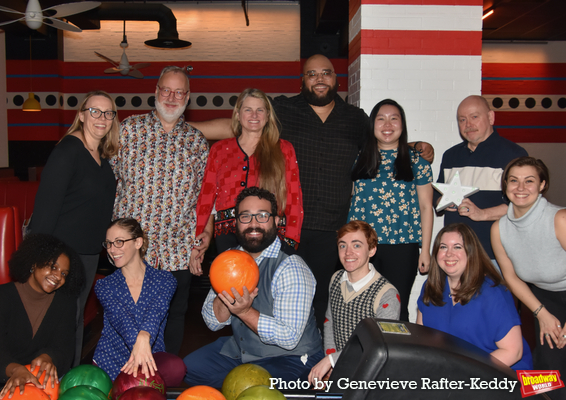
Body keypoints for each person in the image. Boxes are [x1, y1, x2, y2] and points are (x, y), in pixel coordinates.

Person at [191, 54, 434, 330]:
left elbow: (383, 139)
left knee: (322, 297)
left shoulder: (355, 119)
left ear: (336, 79)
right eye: (312, 74)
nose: (319, 79)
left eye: (326, 73)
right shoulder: (283, 109)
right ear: (302, 81)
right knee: (273, 295)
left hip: (333, 228)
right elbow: (244, 125)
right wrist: (186, 128)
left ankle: (316, 358)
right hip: (289, 228)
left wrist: (414, 145)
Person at [112, 66, 209, 355]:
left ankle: (165, 376)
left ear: (188, 97)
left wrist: (202, 239)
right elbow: (106, 180)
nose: (171, 97)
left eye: (179, 92)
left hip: (178, 249)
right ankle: (126, 378)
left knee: (173, 316)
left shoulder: (197, 142)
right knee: (128, 316)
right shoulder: (128, 130)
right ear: (155, 92)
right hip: (133, 248)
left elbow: (205, 199)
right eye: (166, 90)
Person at [183, 187, 323, 388]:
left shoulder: (291, 266)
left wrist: (245, 312)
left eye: (262, 216)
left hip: (291, 357)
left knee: (250, 388)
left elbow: (289, 338)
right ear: (236, 223)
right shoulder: (228, 260)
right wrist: (225, 295)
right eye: (245, 216)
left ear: (276, 222)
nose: (253, 223)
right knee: (189, 369)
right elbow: (213, 322)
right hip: (243, 350)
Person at [28, 90, 119, 365]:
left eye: (108, 113)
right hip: (62, 253)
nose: (102, 118)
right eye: (95, 111)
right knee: (57, 321)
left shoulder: (100, 155)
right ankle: (47, 381)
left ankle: (69, 378)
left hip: (88, 253)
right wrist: (41, 258)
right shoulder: (68, 150)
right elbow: (45, 210)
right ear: (81, 115)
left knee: (73, 319)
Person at [193, 88, 303, 267]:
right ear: (237, 114)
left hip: (267, 233)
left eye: (260, 110)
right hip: (227, 234)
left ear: (268, 115)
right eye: (248, 109)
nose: (254, 115)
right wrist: (199, 238)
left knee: (266, 289)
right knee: (231, 288)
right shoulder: (219, 149)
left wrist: (291, 240)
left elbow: (293, 197)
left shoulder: (283, 149)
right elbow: (206, 197)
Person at [0, 234, 85, 398]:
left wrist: (49, 357)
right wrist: (16, 369)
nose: (58, 277)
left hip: (37, 376)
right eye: (53, 267)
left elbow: (64, 348)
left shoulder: (65, 303)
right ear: (34, 263)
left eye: (64, 274)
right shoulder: (0, 296)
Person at [348, 99, 433, 321]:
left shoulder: (418, 163)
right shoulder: (359, 159)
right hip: (365, 246)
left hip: (403, 246)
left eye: (394, 118)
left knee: (396, 307)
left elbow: (426, 207)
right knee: (364, 307)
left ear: (402, 125)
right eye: (381, 119)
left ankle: (398, 355)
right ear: (372, 125)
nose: (387, 124)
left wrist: (425, 250)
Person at [491, 156, 566, 396]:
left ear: (542, 185)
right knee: (547, 373)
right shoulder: (499, 229)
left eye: (529, 181)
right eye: (513, 181)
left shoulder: (560, 219)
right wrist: (541, 313)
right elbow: (512, 278)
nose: (520, 188)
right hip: (543, 299)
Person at [417, 223, 532, 371]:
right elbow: (421, 338)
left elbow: (513, 352)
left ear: (471, 252)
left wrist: (464, 374)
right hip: (451, 371)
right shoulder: (431, 287)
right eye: (443, 247)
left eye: (457, 247)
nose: (449, 253)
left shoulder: (493, 292)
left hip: (497, 374)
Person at [93, 218, 185, 386]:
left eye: (119, 242)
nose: (112, 250)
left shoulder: (165, 280)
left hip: (150, 358)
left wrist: (144, 337)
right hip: (111, 360)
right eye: (109, 244)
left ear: (138, 242)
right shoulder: (104, 285)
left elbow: (156, 311)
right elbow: (122, 319)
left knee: (176, 368)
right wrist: (139, 339)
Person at [435, 95, 527, 262]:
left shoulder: (514, 155)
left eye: (474, 117)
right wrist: (442, 201)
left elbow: (523, 205)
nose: (468, 124)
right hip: (455, 257)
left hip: (495, 256)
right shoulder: (450, 156)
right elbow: (436, 198)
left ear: (491, 117)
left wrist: (483, 214)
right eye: (462, 119)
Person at [308, 220, 400, 384]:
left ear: (372, 250)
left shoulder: (387, 294)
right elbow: (330, 322)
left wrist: (332, 360)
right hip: (340, 367)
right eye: (343, 246)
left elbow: (380, 346)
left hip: (372, 373)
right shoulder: (336, 279)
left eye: (356, 245)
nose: (348, 252)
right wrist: (331, 361)